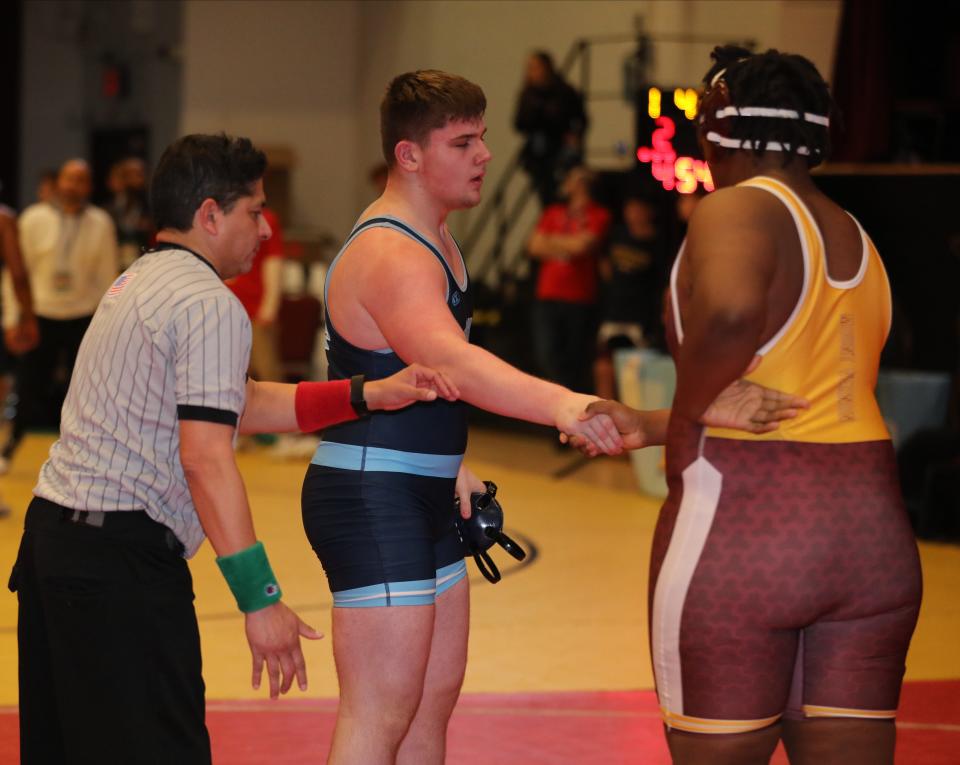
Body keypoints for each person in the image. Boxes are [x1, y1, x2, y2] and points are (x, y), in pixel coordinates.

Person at [10, 133, 458, 765]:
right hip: (117, 566)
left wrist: (367, 394)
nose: (267, 229)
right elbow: (205, 456)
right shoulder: (207, 303)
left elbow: (237, 402)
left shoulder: (140, 278)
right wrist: (260, 597)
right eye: (254, 210)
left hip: (56, 549)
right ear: (210, 215)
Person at [579, 46, 921, 765]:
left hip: (747, 533)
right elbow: (807, 384)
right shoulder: (857, 234)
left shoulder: (736, 208)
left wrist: (697, 403)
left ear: (720, 126)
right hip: (870, 537)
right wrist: (656, 420)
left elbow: (734, 316)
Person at [302, 69, 624, 765]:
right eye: (464, 141)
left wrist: (454, 463)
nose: (485, 155)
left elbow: (419, 381)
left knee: (429, 704)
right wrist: (569, 404)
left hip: (422, 486)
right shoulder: (391, 250)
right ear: (409, 156)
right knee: (380, 710)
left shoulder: (439, 238)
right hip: (371, 493)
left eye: (483, 138)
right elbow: (456, 364)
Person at [1, 159, 119, 462]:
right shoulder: (32, 219)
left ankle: (80, 454)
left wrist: (106, 323)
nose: (73, 186)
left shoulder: (101, 223)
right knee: (29, 384)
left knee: (83, 389)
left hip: (82, 315)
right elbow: (15, 272)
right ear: (58, 182)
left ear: (89, 187)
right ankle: (10, 446)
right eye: (68, 179)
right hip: (39, 314)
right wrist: (15, 317)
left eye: (81, 180)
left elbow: (109, 277)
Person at [527, 165, 611, 395]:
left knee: (574, 359)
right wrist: (567, 243)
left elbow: (583, 246)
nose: (566, 183)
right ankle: (555, 401)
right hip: (547, 295)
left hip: (579, 298)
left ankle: (565, 406)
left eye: (572, 178)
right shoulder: (553, 212)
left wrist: (551, 242)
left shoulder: (598, 214)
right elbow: (533, 246)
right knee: (545, 354)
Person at [593, 193, 667, 399]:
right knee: (604, 366)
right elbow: (604, 263)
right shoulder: (616, 235)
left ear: (649, 212)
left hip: (640, 317)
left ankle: (631, 419)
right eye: (630, 208)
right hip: (613, 312)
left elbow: (662, 282)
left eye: (639, 208)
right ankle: (604, 414)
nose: (633, 213)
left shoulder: (657, 242)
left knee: (635, 371)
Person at [514, 50, 588, 206]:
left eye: (536, 67)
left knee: (565, 193)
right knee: (545, 195)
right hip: (538, 153)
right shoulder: (528, 95)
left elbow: (581, 118)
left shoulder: (564, 92)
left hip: (561, 150)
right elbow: (519, 123)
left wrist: (575, 135)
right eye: (530, 68)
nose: (533, 72)